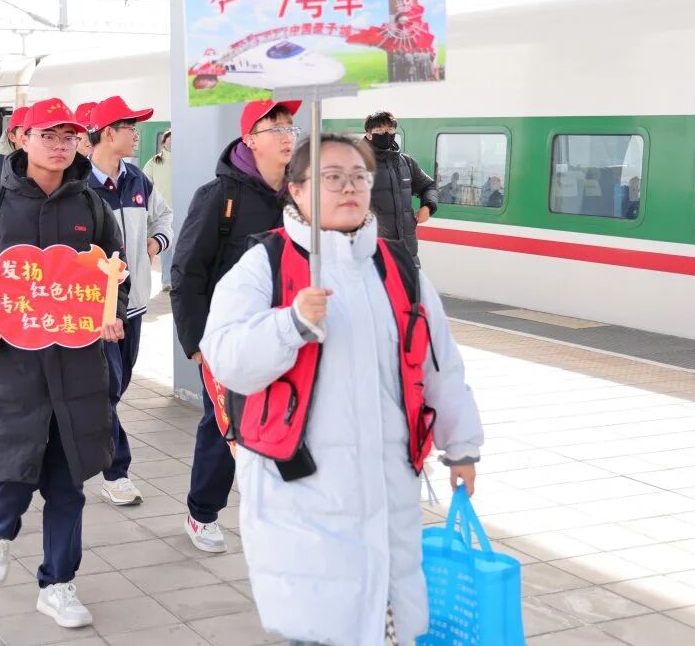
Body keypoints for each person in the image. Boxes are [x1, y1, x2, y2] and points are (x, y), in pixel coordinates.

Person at [201, 133, 484, 646]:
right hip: (302, 491)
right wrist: (291, 325)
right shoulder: (263, 264)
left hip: (387, 489)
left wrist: (462, 447)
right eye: (331, 177)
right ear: (297, 189)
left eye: (359, 176)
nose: (349, 187)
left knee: (384, 615)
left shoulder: (401, 268)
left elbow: (440, 363)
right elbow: (227, 359)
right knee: (321, 626)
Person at [0, 97, 128, 630]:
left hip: (77, 370)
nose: (61, 146)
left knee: (68, 485)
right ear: (22, 138)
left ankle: (58, 584)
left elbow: (114, 273)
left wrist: (109, 309)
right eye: (50, 135)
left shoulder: (91, 207)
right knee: (14, 477)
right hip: (13, 368)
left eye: (70, 137)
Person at [171, 98, 300, 553]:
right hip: (228, 339)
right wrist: (196, 345)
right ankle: (202, 512)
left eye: (291, 128)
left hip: (288, 333)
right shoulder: (219, 197)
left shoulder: (300, 196)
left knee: (288, 418)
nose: (288, 137)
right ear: (250, 139)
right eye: (275, 129)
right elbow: (187, 272)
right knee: (225, 426)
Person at [86, 96, 174, 506]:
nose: (138, 135)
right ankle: (116, 471)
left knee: (115, 387)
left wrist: (157, 241)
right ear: (108, 133)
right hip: (96, 311)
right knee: (106, 386)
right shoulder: (77, 185)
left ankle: (83, 432)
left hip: (136, 303)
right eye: (130, 128)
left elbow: (164, 216)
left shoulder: (138, 179)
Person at [364, 111, 438, 263]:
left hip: (407, 252)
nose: (386, 134)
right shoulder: (357, 164)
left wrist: (428, 206)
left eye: (390, 130)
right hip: (373, 255)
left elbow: (429, 185)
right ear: (369, 134)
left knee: (413, 287)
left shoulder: (406, 162)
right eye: (380, 131)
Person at [143, 128, 174, 289]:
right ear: (163, 141)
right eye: (169, 138)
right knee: (167, 247)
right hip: (163, 210)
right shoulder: (155, 161)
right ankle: (167, 280)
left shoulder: (186, 158)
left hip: (184, 207)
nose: (172, 141)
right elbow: (145, 182)